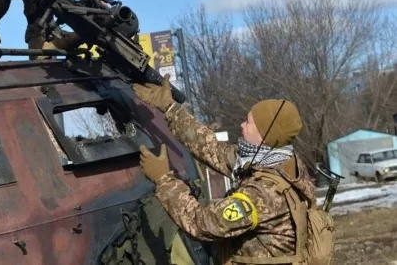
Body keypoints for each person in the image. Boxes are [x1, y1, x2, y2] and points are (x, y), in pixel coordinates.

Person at [132, 78, 317, 264]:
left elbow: (202, 224)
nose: (242, 125)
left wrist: (164, 180)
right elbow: (210, 147)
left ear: (265, 136)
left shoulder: (264, 193)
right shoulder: (279, 161)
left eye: (249, 122)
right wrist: (170, 108)